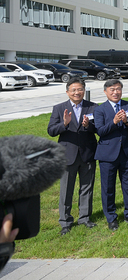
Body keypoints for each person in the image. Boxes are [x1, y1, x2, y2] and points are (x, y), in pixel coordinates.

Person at [47, 77, 98, 235]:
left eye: (80, 89)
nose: (77, 92)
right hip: (68, 154)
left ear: (84, 90)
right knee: (66, 189)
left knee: (87, 188)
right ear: (68, 92)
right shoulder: (59, 108)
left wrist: (88, 126)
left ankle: (84, 217)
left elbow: (98, 129)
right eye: (74, 90)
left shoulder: (93, 107)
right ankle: (65, 221)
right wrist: (64, 124)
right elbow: (51, 130)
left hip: (87, 153)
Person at [94, 79, 128, 231]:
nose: (115, 92)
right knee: (108, 187)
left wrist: (126, 122)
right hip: (107, 153)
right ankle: (111, 217)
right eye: (112, 89)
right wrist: (113, 122)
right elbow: (100, 131)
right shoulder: (100, 109)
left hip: (126, 151)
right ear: (106, 91)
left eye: (118, 89)